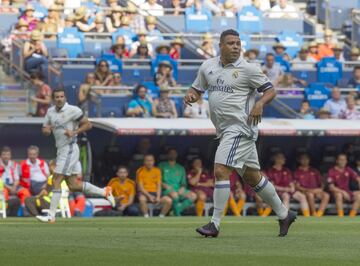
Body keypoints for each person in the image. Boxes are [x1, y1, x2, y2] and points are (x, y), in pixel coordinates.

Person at [184, 29, 296, 237]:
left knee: (220, 170)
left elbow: (270, 90)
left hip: (240, 128)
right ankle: (284, 214)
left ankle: (214, 224)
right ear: (221, 45)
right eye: (231, 43)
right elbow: (196, 90)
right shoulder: (207, 66)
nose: (236, 47)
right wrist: (191, 95)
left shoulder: (248, 69)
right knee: (253, 178)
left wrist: (260, 103)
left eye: (238, 43)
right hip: (224, 129)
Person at [36, 88, 115, 223]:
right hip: (61, 149)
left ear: (65, 98)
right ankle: (104, 192)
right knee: (72, 185)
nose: (59, 99)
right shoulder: (50, 112)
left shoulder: (73, 110)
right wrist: (47, 131)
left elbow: (88, 124)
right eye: (57, 97)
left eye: (62, 96)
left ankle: (51, 216)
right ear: (53, 99)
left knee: (56, 180)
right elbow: (44, 130)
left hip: (70, 148)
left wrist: (75, 132)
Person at [266, 152, 310, 217]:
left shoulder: (286, 170)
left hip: (288, 190)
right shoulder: (271, 171)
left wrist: (292, 188)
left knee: (302, 196)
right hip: (278, 192)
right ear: (276, 159)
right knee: (286, 196)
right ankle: (285, 216)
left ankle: (307, 216)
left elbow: (291, 182)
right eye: (282, 158)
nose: (284, 159)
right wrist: (285, 189)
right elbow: (272, 186)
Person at [159, 148, 197, 216]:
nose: (172, 155)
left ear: (176, 155)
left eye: (174, 153)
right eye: (171, 153)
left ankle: (176, 210)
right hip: (167, 189)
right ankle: (178, 214)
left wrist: (182, 188)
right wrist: (165, 185)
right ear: (167, 155)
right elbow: (158, 180)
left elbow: (183, 183)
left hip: (178, 189)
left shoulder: (180, 168)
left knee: (193, 196)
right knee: (175, 195)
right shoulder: (162, 165)